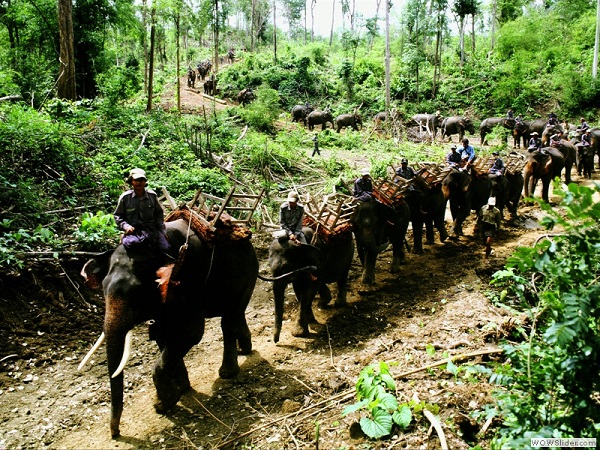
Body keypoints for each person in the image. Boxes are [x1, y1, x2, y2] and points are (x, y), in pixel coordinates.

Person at [114, 168, 171, 257]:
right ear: (131, 181)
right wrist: (126, 226)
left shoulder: (152, 196)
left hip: (151, 230)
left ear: (145, 182)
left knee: (165, 248)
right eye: (136, 180)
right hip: (134, 231)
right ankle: (124, 237)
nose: (139, 183)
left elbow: (158, 215)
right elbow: (118, 216)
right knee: (133, 244)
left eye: (141, 180)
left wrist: (163, 232)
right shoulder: (125, 198)